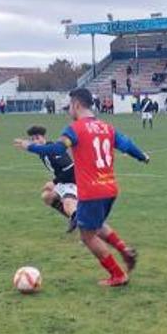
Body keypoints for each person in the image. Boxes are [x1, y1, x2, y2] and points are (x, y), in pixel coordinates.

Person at [52, 88, 150, 287]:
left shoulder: (76, 128)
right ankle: (125, 251)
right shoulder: (106, 127)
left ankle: (118, 275)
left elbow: (58, 148)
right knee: (95, 225)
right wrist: (142, 156)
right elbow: (127, 144)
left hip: (91, 190)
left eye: (69, 106)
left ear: (77, 105)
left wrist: (31, 146)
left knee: (87, 235)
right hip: (109, 188)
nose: (69, 110)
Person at [13, 125, 79, 233]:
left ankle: (81, 222)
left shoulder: (53, 150)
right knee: (47, 196)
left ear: (44, 137)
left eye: (38, 138)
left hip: (74, 181)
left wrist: (54, 182)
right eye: (33, 139)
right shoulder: (43, 153)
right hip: (64, 182)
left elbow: (71, 169)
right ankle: (74, 218)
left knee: (68, 203)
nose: (36, 141)